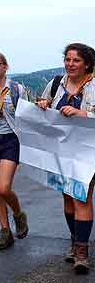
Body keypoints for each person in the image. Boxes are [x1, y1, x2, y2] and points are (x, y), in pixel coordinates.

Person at [36, 43, 95, 273]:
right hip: (60, 151)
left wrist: (83, 113)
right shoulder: (57, 84)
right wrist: (43, 105)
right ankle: (74, 239)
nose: (70, 64)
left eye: (76, 60)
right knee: (68, 198)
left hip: (87, 153)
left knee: (82, 198)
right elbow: (44, 105)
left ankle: (82, 251)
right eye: (67, 59)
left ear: (87, 63)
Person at [0, 53, 29, 250]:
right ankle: (5, 230)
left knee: (3, 188)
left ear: (5, 66)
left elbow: (27, 115)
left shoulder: (16, 88)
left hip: (10, 139)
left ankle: (18, 214)